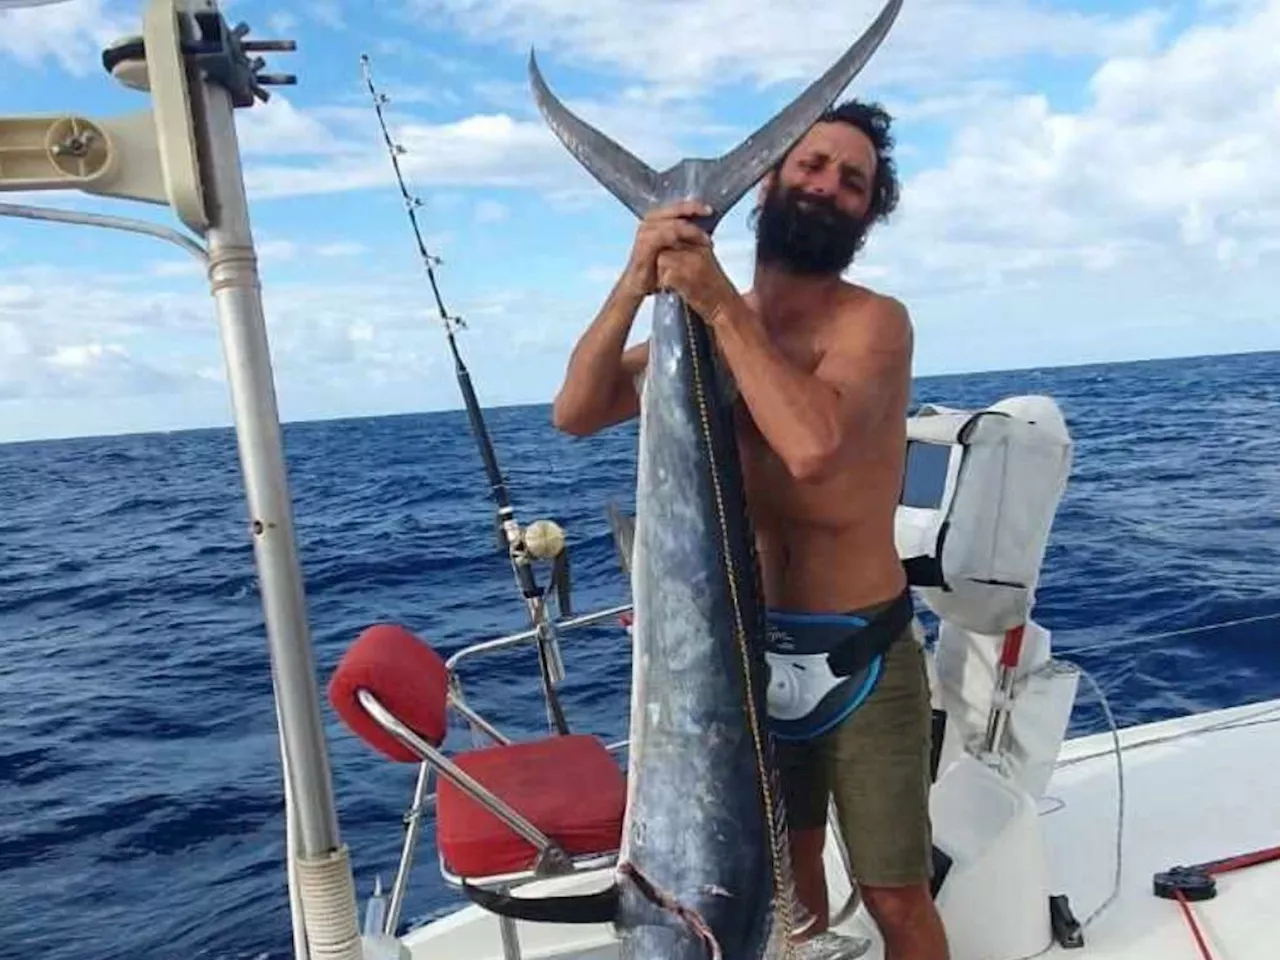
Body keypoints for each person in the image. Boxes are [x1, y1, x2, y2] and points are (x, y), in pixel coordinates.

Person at [550, 99, 950, 960]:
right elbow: (575, 411)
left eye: (853, 181)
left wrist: (715, 298)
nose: (828, 186)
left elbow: (810, 448)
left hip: (863, 656)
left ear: (868, 215)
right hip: (749, 662)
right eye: (812, 165)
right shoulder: (697, 329)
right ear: (771, 182)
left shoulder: (873, 323)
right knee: (787, 889)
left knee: (895, 894)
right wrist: (640, 274)